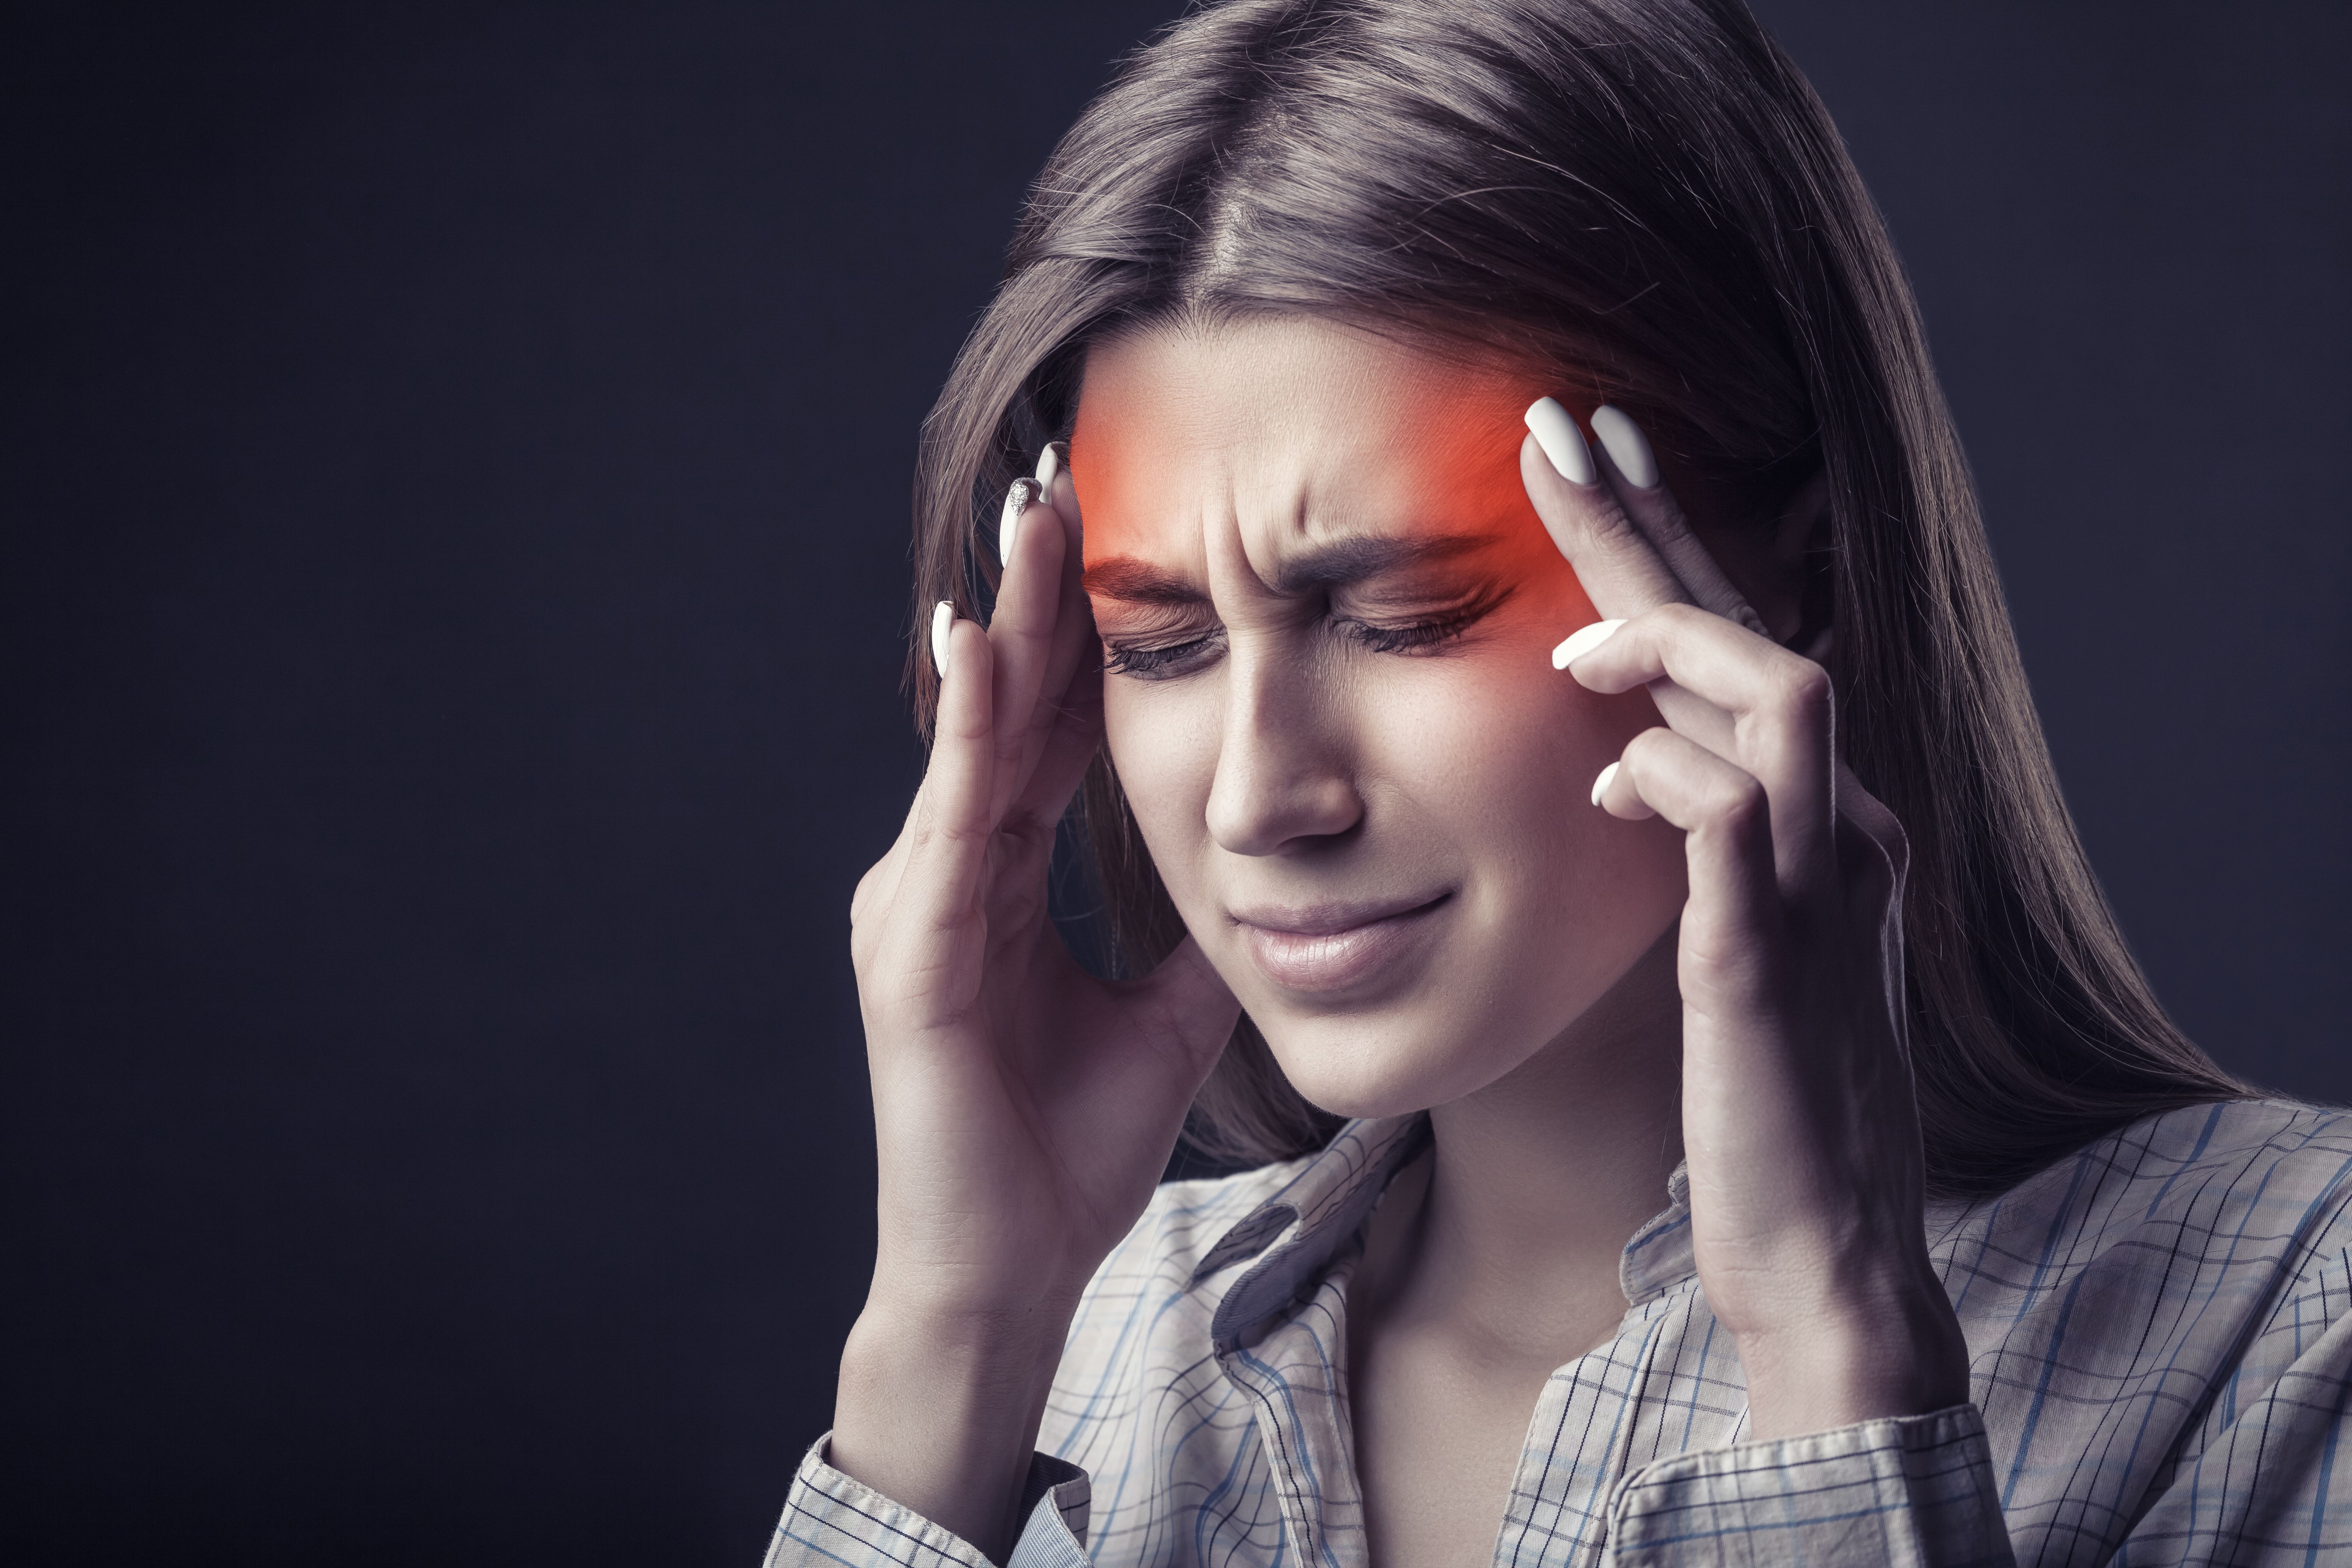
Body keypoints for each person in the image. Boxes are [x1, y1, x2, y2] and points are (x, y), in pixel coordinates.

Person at [769, 2, 2351, 1563]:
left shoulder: (2294, 1317)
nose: (1259, 798)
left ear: (1790, 574)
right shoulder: (1089, 1356)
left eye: (1409, 617)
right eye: (1160, 641)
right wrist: (955, 1339)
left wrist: (1832, 1330)